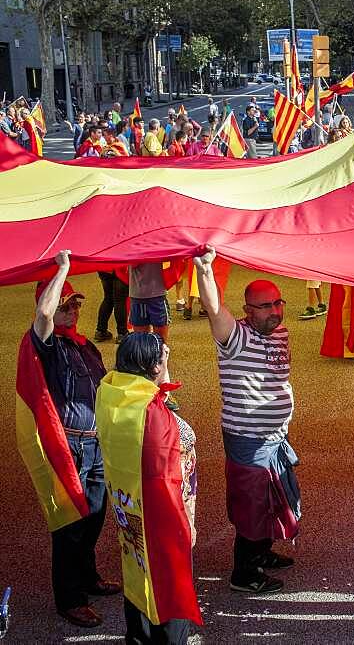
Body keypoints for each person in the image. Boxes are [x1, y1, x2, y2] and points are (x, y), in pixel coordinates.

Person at [19, 250, 121, 628]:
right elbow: (44, 316)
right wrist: (62, 269)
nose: (71, 310)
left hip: (96, 444)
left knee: (94, 517)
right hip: (69, 446)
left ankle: (87, 576)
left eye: (75, 304)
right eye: (65, 304)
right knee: (69, 526)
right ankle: (70, 598)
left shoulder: (85, 345)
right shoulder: (44, 344)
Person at [193, 246, 299, 595]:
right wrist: (206, 271)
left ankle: (263, 553)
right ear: (247, 311)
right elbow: (212, 306)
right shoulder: (233, 336)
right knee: (251, 504)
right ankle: (244, 572)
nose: (275, 311)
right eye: (266, 306)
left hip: (274, 435)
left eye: (278, 303)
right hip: (248, 436)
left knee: (271, 497)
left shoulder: (280, 332)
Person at [96, 333, 201, 643]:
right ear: (155, 367)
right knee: (167, 584)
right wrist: (187, 523)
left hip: (130, 506)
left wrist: (160, 364)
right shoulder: (156, 416)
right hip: (164, 515)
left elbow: (154, 390)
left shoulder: (113, 392)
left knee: (136, 573)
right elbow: (173, 469)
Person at [128, 262, 171, 342]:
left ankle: (160, 353)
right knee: (141, 342)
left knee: (160, 342)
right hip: (139, 294)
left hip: (156, 294)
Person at [94, 269, 129, 344]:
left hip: (104, 265)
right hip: (120, 266)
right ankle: (122, 333)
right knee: (119, 300)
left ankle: (101, 331)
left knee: (108, 298)